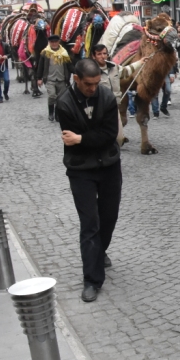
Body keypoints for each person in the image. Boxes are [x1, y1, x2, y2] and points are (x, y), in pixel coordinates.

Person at [56, 59, 122, 302]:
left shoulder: (106, 97)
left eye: (95, 84)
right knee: (90, 223)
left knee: (109, 217)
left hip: (109, 166)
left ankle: (99, 251)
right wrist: (88, 140)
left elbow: (108, 135)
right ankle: (92, 279)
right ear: (76, 79)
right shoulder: (63, 103)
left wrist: (82, 139)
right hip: (80, 169)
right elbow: (69, 138)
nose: (92, 89)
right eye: (87, 84)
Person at [92, 44, 126, 146]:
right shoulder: (91, 71)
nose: (102, 56)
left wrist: (141, 62)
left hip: (114, 107)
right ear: (94, 56)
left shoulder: (114, 67)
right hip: (98, 109)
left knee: (119, 138)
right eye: (99, 54)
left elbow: (127, 71)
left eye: (104, 53)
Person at [37, 35, 74, 122]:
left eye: (55, 42)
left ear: (58, 42)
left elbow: (69, 66)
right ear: (49, 43)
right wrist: (39, 78)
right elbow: (40, 66)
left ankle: (57, 114)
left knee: (60, 99)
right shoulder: (45, 53)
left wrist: (78, 72)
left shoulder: (64, 52)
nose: (54, 44)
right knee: (52, 95)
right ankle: (51, 112)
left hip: (62, 80)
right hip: (50, 79)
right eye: (52, 42)